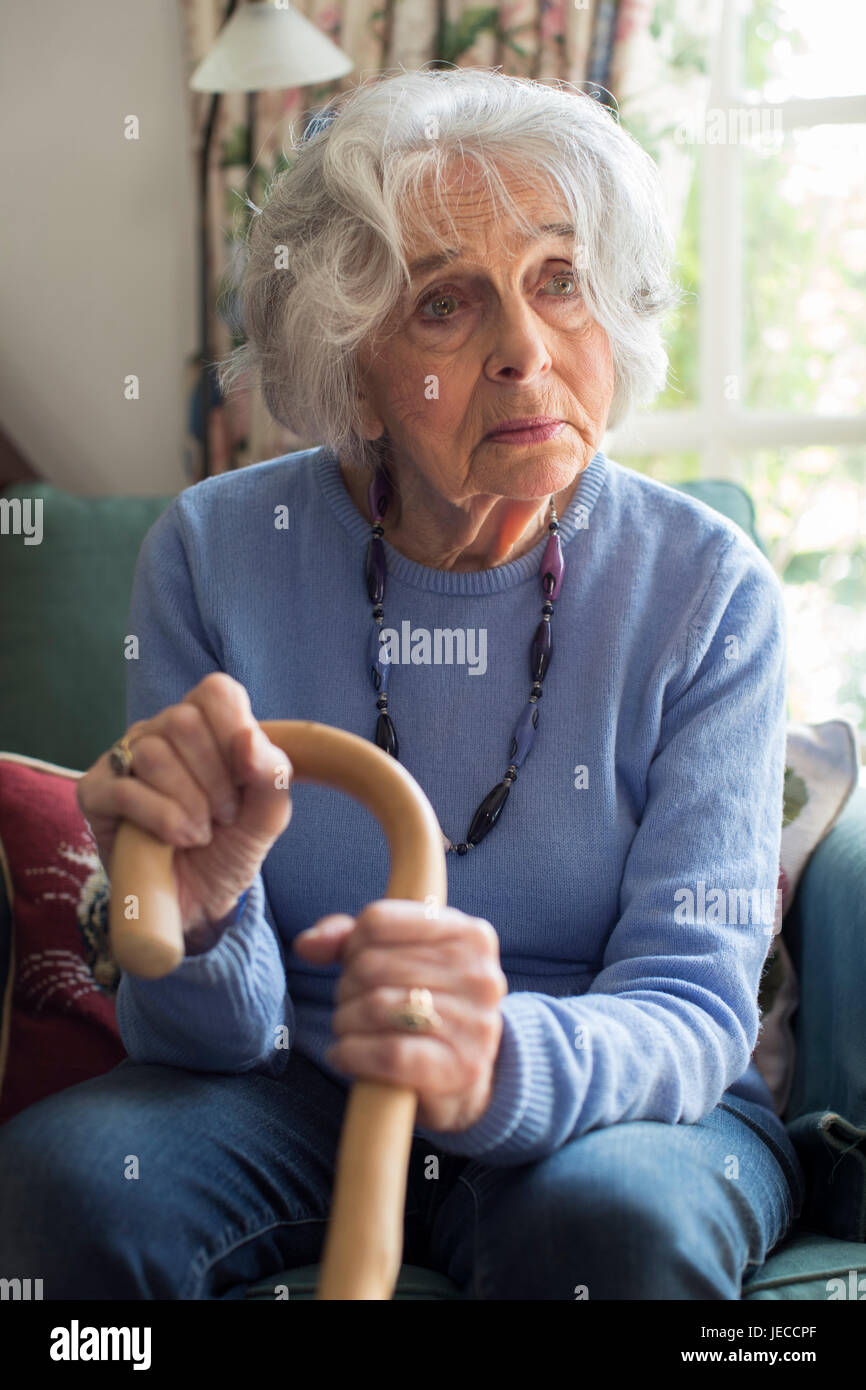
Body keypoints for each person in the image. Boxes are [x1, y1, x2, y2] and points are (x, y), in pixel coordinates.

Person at [0, 66, 804, 1300]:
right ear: (353, 365)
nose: (525, 352)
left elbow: (689, 1006)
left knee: (610, 1232)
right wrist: (205, 922)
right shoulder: (215, 557)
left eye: (559, 281)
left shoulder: (706, 592)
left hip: (612, 1095)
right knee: (58, 1185)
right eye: (444, 306)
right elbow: (192, 1038)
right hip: (290, 1083)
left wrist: (495, 1062)